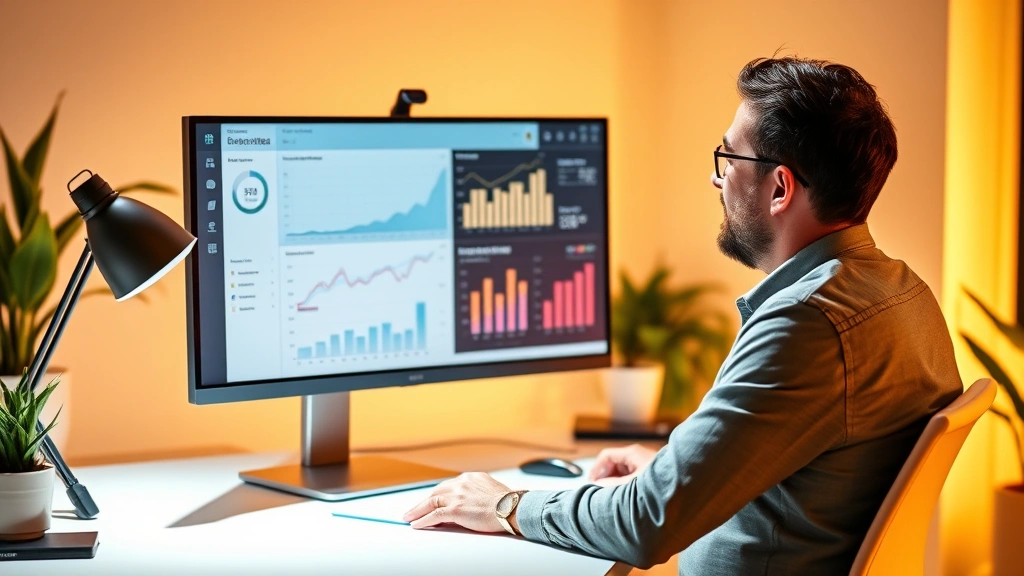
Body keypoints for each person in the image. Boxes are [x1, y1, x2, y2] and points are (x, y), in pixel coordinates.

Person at [403, 56, 963, 574]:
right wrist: (674, 469)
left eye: (729, 159)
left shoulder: (806, 322)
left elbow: (648, 523)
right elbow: (815, 473)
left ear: (780, 187)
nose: (717, 180)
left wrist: (504, 504)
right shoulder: (903, 294)